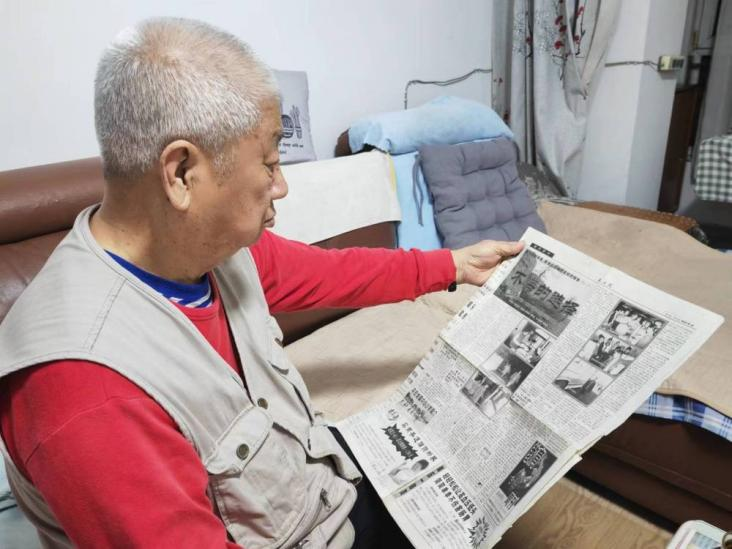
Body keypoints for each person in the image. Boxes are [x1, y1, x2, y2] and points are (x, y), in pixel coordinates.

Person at [0, 17, 523, 549]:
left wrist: (455, 265)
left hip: (312, 481)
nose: (282, 186)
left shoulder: (208, 250)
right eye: (270, 163)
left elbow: (333, 273)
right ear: (180, 173)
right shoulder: (84, 390)